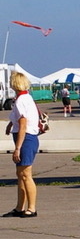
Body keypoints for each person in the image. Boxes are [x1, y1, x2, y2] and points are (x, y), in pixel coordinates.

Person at [6, 72, 39, 218]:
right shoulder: (25, 98)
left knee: (26, 174)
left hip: (26, 139)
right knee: (20, 174)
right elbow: (19, 118)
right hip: (25, 137)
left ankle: (31, 208)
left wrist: (17, 148)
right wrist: (10, 125)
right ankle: (20, 207)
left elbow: (23, 124)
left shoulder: (21, 100)